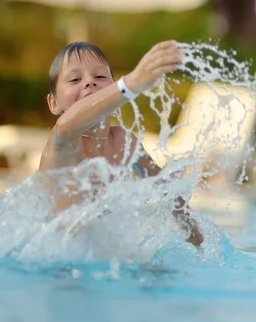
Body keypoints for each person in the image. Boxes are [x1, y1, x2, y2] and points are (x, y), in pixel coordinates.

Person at [39, 40, 204, 246]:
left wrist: (200, 244)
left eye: (99, 76)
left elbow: (167, 191)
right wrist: (131, 83)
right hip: (57, 261)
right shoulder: (63, 143)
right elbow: (66, 125)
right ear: (53, 103)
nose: (89, 82)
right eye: (74, 79)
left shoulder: (124, 142)